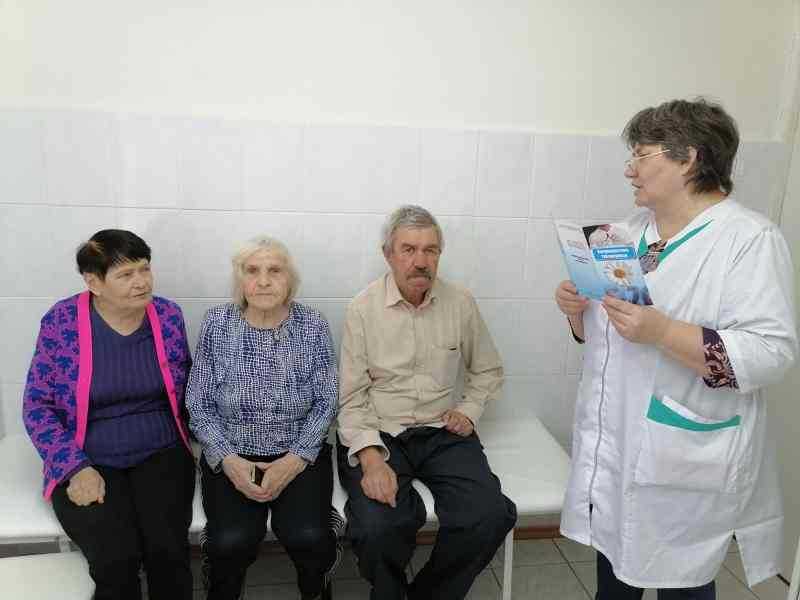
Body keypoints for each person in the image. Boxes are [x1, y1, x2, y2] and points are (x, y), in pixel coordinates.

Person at [555, 98, 798, 599]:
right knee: (613, 578)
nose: (630, 169)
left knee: (682, 581)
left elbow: (770, 354)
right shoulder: (627, 234)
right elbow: (611, 341)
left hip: (682, 454)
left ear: (687, 158)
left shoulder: (748, 239)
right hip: (616, 446)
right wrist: (577, 313)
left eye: (641, 155)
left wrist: (664, 332)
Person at [337, 204, 517, 600]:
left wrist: (468, 410)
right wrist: (370, 458)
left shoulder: (460, 302)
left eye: (430, 250)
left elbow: (488, 370)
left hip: (441, 429)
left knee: (490, 515)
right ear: (388, 254)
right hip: (380, 431)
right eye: (409, 249)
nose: (421, 261)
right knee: (376, 527)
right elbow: (350, 397)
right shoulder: (362, 309)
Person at [22, 229, 196, 600]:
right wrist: (73, 467)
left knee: (167, 552)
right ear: (94, 282)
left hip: (161, 449)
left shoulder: (167, 315)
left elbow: (189, 387)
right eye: (126, 274)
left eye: (144, 269)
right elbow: (37, 405)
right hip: (87, 455)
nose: (141, 282)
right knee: (116, 559)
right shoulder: (62, 321)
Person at [186, 236, 340, 600]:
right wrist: (228, 459)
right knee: (232, 541)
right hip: (232, 451)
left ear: (290, 279)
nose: (264, 281)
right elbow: (198, 402)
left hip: (298, 451)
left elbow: (327, 401)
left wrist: (295, 459)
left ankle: (317, 585)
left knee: (308, 537)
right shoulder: (217, 323)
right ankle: (222, 585)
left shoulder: (312, 324)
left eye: (275, 271)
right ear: (240, 280)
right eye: (252, 271)